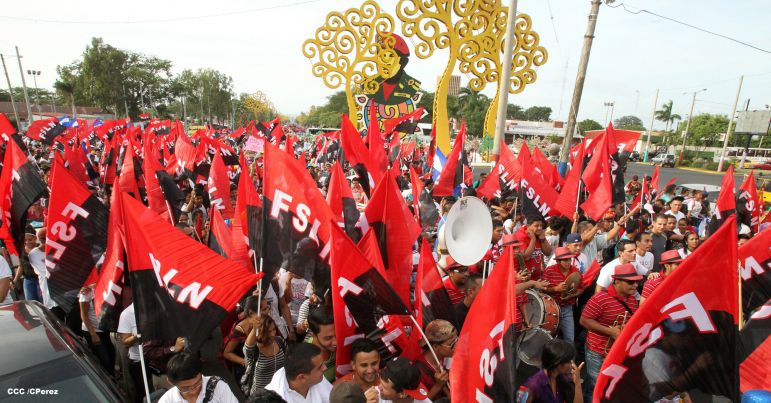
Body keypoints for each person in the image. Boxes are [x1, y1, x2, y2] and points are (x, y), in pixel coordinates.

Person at [579, 264, 640, 398]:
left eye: (636, 281)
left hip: (616, 351)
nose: (635, 285)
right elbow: (584, 321)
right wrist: (611, 332)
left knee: (608, 386)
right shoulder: (600, 298)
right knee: (596, 387)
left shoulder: (633, 300)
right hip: (597, 351)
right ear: (617, 281)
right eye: (630, 282)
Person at [265, 343, 333, 403]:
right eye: (319, 367)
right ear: (302, 377)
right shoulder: (273, 398)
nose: (325, 368)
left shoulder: (316, 377)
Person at [159, 352, 238, 403]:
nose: (193, 391)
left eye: (198, 383)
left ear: (201, 374)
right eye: (186, 388)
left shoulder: (218, 386)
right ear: (171, 382)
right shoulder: (167, 400)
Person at [543, 247, 582, 343]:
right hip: (551, 309)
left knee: (569, 338)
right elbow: (543, 289)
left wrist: (572, 295)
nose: (568, 262)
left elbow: (581, 289)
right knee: (549, 338)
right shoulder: (549, 271)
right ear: (558, 261)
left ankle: (569, 358)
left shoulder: (576, 271)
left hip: (567, 309)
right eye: (565, 260)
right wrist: (556, 289)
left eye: (569, 259)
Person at [243, 314, 288, 395]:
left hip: (280, 392)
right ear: (260, 331)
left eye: (274, 329)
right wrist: (254, 329)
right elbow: (248, 347)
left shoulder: (280, 341)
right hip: (261, 396)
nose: (272, 334)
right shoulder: (255, 350)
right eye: (268, 331)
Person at [118, 303, 154, 403]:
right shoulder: (126, 314)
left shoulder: (157, 307)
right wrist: (138, 334)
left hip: (157, 358)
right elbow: (125, 342)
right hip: (139, 361)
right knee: (144, 393)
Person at [80, 285, 116, 375]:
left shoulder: (110, 285)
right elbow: (83, 315)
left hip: (105, 329)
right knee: (105, 359)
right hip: (92, 331)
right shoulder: (87, 292)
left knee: (112, 356)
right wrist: (93, 334)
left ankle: (113, 377)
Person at [417, 320, 455, 400]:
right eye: (452, 344)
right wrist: (438, 385)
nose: (457, 345)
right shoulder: (419, 371)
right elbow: (420, 401)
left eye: (457, 339)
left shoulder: (447, 356)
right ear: (436, 347)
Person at [307, 304, 337, 383]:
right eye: (328, 338)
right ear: (313, 335)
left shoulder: (344, 343)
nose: (336, 342)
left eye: (337, 335)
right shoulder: (305, 360)